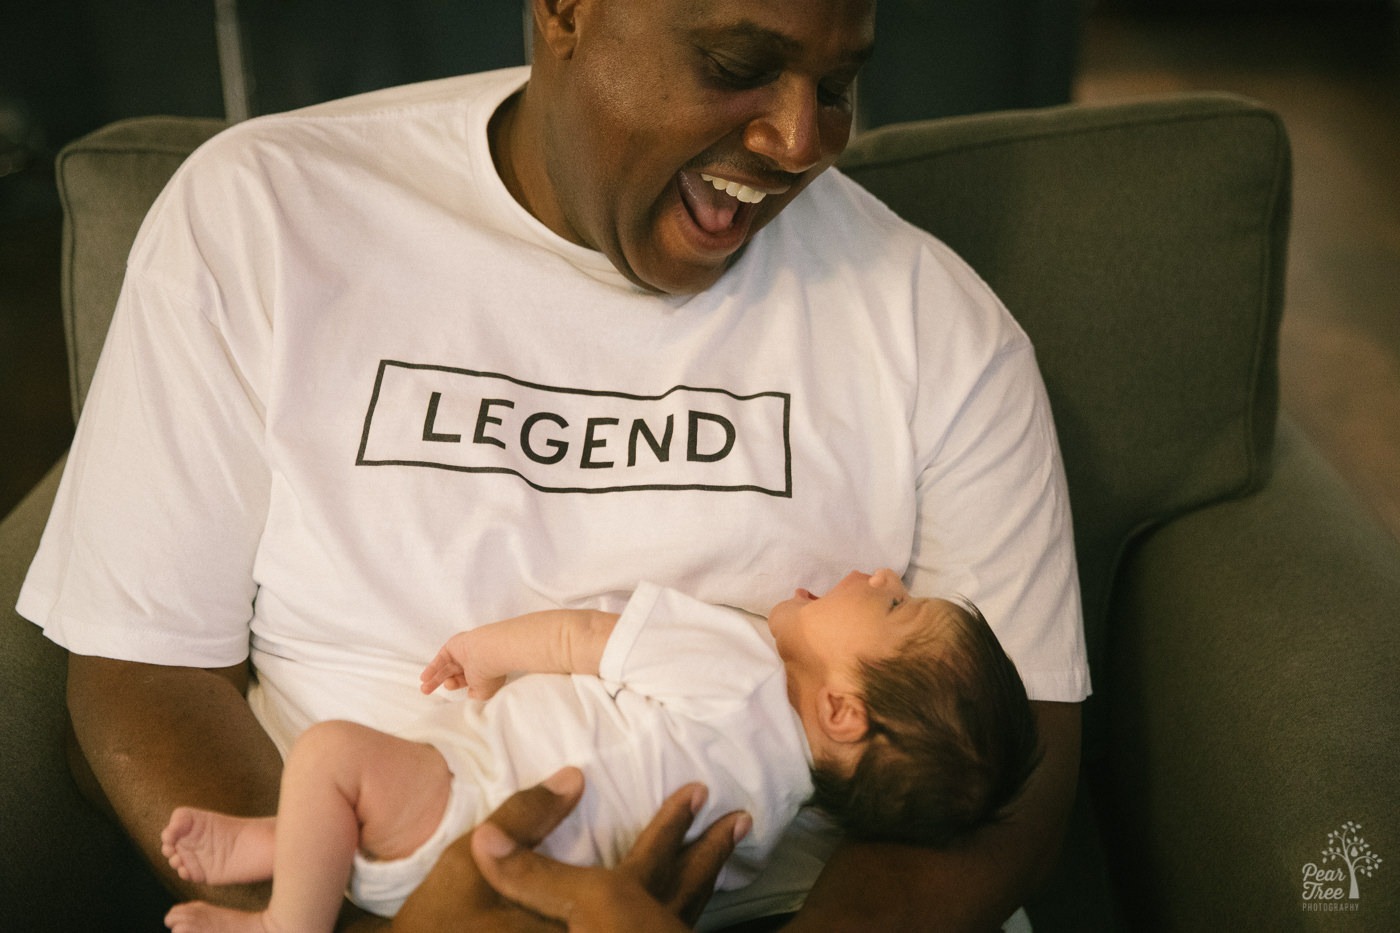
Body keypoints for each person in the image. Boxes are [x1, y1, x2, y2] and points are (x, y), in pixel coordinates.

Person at [18, 0, 1091, 929]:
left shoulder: (934, 327)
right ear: (567, 9)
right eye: (737, 66)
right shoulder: (265, 213)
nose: (798, 138)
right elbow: (140, 670)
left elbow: (1011, 779)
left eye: (839, 82)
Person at [160, 569, 1040, 932]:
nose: (883, 575)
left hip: (471, 810)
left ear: (843, 709)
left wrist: (486, 649)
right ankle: (276, 848)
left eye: (893, 608)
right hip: (523, 905)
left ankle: (286, 918)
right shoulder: (769, 821)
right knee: (343, 794)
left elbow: (587, 637)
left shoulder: (738, 666)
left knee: (326, 756)